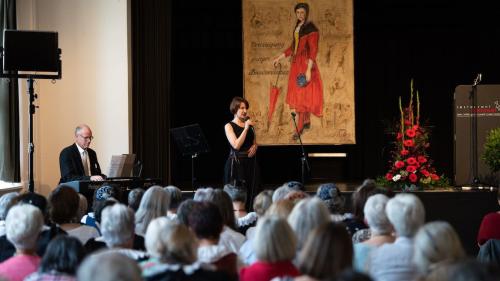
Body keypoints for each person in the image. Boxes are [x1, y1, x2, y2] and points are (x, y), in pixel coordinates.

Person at [272, 2, 323, 139]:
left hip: (306, 64)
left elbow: (313, 50)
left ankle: (299, 127)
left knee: (301, 96)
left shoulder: (311, 28)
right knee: (301, 94)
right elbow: (293, 47)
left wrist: (308, 69)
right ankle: (306, 121)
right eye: (298, 12)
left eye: (302, 12)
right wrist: (279, 58)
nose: (300, 15)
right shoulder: (298, 26)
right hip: (296, 64)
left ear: (306, 13)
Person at [224, 96, 260, 208]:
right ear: (235, 109)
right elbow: (236, 145)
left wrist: (255, 146)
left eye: (246, 108)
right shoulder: (229, 126)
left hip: (251, 163)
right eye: (242, 108)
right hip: (236, 164)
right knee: (237, 195)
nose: (245, 111)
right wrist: (245, 128)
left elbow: (254, 142)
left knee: (253, 194)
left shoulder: (250, 126)